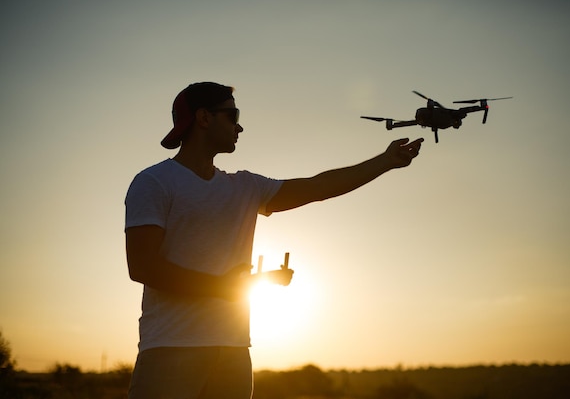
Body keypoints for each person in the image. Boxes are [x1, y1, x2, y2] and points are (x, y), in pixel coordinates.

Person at [124, 81, 423, 399]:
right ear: (203, 118)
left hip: (234, 350)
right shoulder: (153, 182)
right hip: (171, 347)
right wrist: (222, 287)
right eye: (232, 115)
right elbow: (143, 267)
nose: (240, 126)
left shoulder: (245, 187)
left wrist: (386, 162)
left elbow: (317, 187)